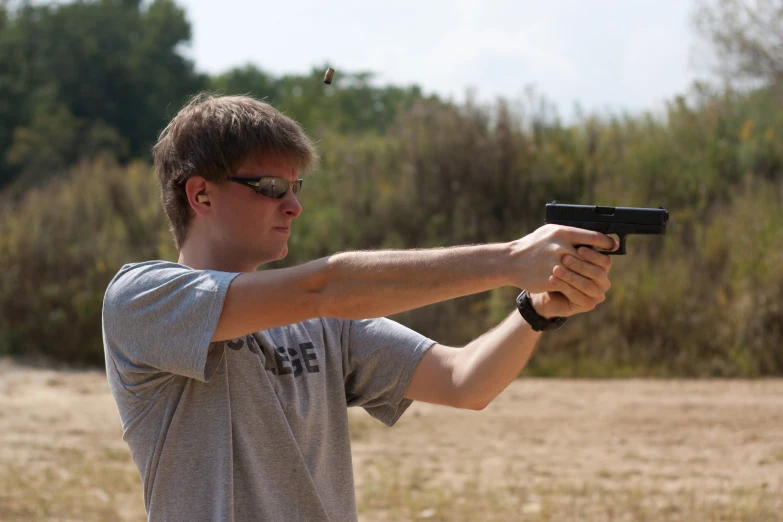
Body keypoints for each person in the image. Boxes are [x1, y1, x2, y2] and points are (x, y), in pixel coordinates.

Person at [101, 93, 617, 521]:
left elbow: (465, 381)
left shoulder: (322, 322)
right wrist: (507, 261)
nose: (294, 205)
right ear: (201, 195)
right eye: (271, 187)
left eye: (295, 187)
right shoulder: (143, 299)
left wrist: (536, 311)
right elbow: (327, 285)